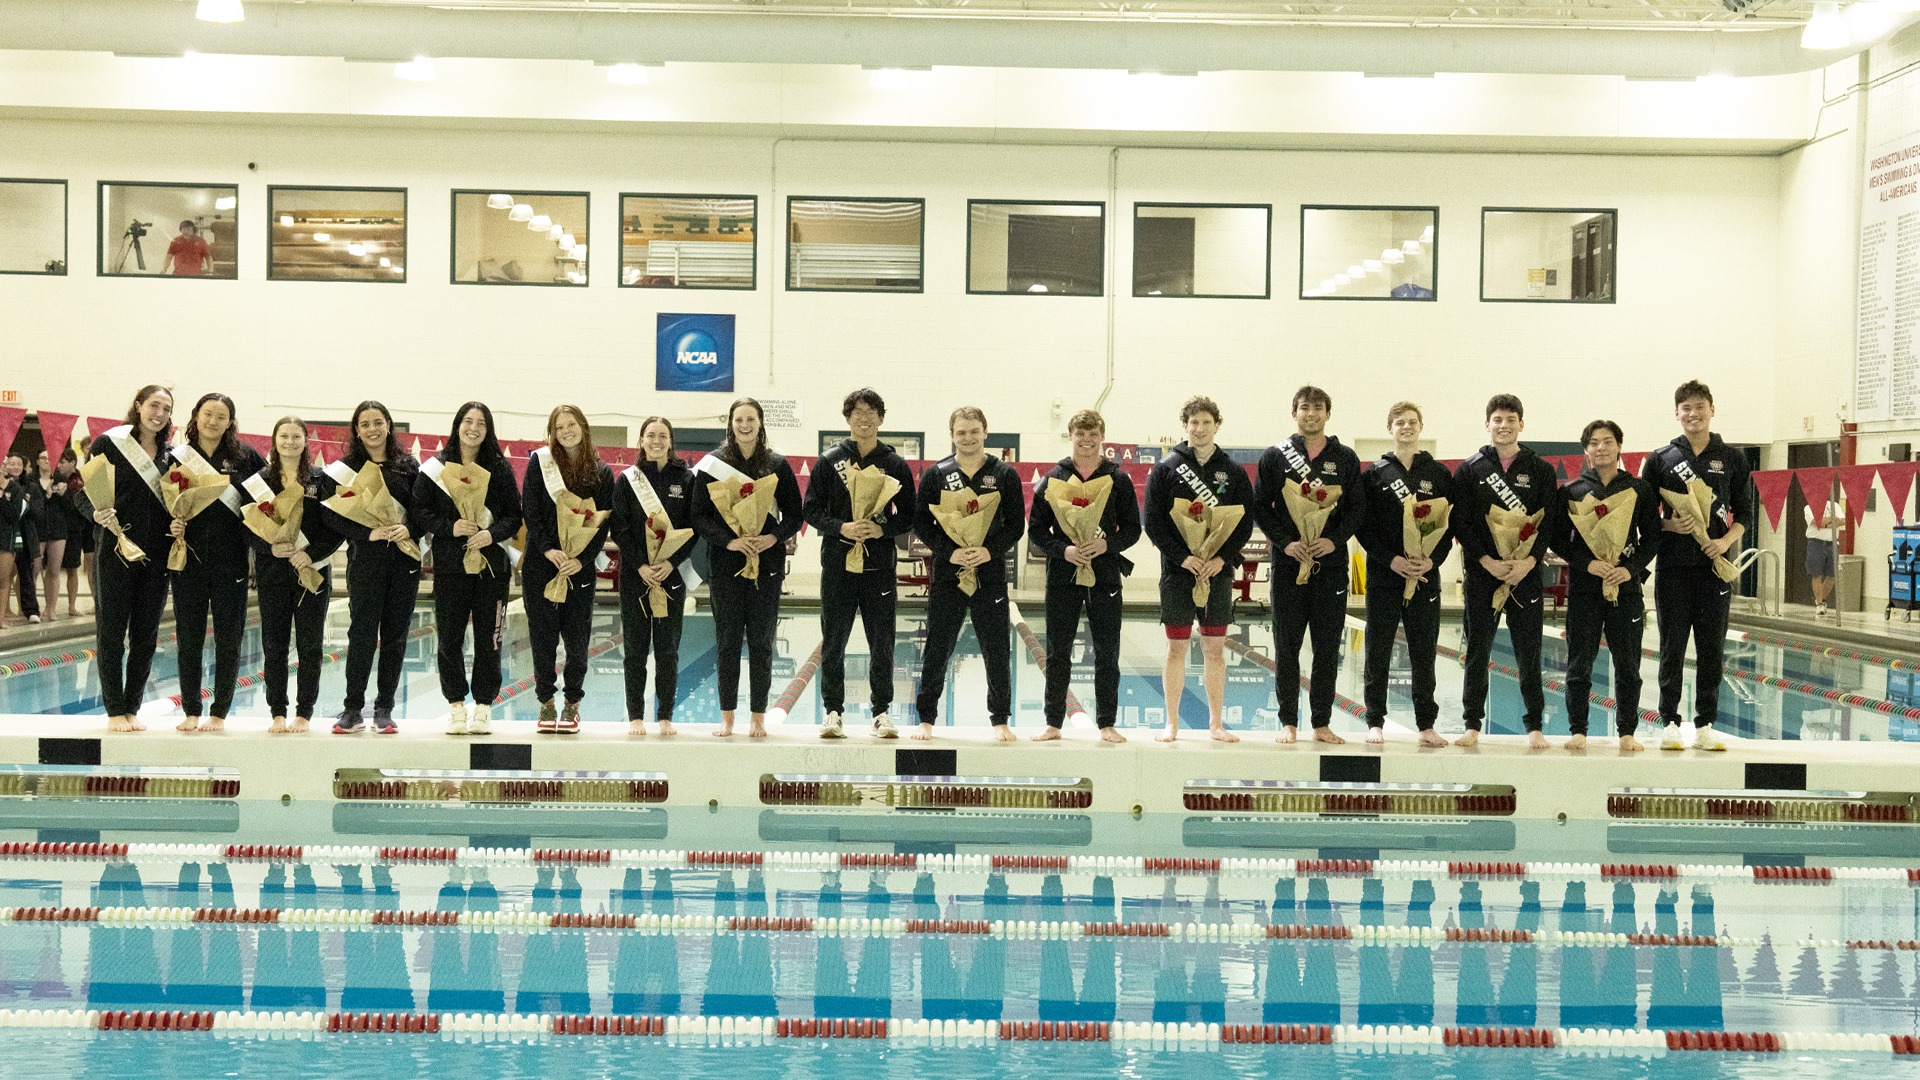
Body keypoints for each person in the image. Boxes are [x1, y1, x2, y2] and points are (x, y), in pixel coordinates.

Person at [1642, 379, 1750, 752]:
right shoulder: (1661, 459)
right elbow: (1643, 517)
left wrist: (1725, 541)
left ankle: (1705, 724)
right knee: (1672, 647)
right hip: (1673, 567)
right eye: (1685, 408)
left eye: (1699, 407)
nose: (1693, 414)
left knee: (1711, 649)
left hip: (1713, 567)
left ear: (1712, 410)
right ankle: (1670, 722)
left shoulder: (1732, 458)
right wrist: (1669, 525)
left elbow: (1745, 514)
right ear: (1677, 413)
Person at [1253, 385, 1365, 745]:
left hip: (1329, 565)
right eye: (1304, 407)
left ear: (1328, 414)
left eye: (1318, 408)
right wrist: (1285, 543)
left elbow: (1356, 509)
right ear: (1294, 413)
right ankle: (1288, 720)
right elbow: (1261, 507)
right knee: (1286, 646)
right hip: (1289, 564)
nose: (1311, 413)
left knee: (1327, 648)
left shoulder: (1345, 458)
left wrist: (1333, 540)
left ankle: (1321, 722)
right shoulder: (1275, 456)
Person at [803, 387, 917, 739]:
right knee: (833, 641)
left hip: (878, 566)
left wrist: (881, 529)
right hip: (838, 564)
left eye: (870, 412)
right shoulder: (829, 461)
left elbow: (908, 515)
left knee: (882, 643)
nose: (864, 418)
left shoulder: (894, 464)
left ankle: (881, 712)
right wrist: (842, 527)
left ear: (881, 418)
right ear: (847, 418)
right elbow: (811, 510)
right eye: (857, 412)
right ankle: (833, 711)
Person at [1144, 395, 1254, 743]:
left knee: (1214, 650)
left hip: (1217, 572)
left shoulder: (1233, 472)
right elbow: (1154, 523)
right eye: (1194, 422)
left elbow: (1243, 524)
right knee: (1176, 649)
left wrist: (1222, 559)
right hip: (1178, 572)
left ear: (1217, 425)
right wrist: (1183, 558)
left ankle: (1216, 723)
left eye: (1207, 422)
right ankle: (1171, 722)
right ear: (1185, 426)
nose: (1200, 428)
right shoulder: (1166, 469)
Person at [911, 406, 1025, 741]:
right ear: (952, 435)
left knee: (997, 648)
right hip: (949, 573)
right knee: (937, 646)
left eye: (974, 431)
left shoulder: (1004, 474)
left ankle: (1000, 719)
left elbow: (1015, 525)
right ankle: (926, 718)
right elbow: (922, 524)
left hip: (990, 573)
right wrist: (950, 551)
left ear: (985, 432)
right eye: (961, 432)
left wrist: (989, 550)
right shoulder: (937, 474)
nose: (968, 438)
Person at [690, 397, 802, 738]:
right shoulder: (713, 464)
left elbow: (795, 514)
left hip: (766, 563)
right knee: (727, 642)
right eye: (739, 419)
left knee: (762, 643)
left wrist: (772, 537)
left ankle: (757, 716)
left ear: (760, 422)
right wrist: (729, 541)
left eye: (750, 419)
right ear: (731, 423)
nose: (744, 425)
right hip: (726, 563)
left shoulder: (777, 464)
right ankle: (727, 716)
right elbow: (699, 515)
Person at [1451, 393, 1559, 748]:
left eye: (1511, 419)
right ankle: (1472, 724)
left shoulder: (1540, 470)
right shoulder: (1470, 469)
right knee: (1477, 651)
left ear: (1521, 424)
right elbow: (1461, 522)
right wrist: (1486, 560)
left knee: (1529, 653)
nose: (1504, 425)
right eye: (1497, 419)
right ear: (1487, 424)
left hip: (1524, 574)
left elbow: (1549, 522)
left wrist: (1529, 561)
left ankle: (1534, 726)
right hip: (1484, 574)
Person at [1029, 408, 1141, 743]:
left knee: (1107, 651)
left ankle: (1107, 723)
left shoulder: (1118, 480)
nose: (1087, 440)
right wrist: (1064, 550)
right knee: (1057, 651)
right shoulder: (1054, 479)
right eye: (1081, 434)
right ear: (1071, 436)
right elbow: (1036, 530)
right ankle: (1053, 723)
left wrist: (1106, 546)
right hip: (1063, 574)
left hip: (1105, 574)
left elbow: (1132, 529)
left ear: (1102, 437)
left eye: (1093, 434)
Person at [1551, 419, 1661, 752]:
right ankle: (1578, 730)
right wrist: (1587, 564)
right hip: (1585, 589)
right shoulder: (1572, 491)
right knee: (1579, 664)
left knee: (1628, 665)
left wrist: (1630, 569)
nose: (1601, 448)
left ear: (1619, 446)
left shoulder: (1639, 489)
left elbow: (1652, 537)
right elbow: (1557, 538)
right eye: (1594, 443)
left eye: (1608, 441)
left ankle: (1627, 731)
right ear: (1586, 450)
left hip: (1625, 590)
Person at [414, 402, 521, 737]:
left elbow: (514, 516)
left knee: (490, 639)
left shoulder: (499, 469)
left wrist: (491, 534)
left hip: (491, 567)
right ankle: (457, 705)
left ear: (488, 430)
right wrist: (449, 527)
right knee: (449, 638)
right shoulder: (436, 468)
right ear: (457, 424)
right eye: (468, 421)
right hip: (450, 566)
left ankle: (484, 706)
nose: (473, 428)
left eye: (481, 423)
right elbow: (419, 510)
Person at [1356, 401, 1454, 747]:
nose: (1407, 427)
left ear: (1421, 427)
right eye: (1400, 422)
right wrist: (1391, 560)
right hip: (1385, 575)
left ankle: (1426, 724)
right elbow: (1363, 528)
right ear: (1390, 428)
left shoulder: (1439, 474)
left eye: (1412, 422)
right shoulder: (1374, 474)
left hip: (1425, 576)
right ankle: (1375, 721)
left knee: (1424, 652)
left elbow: (1449, 527)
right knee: (1378, 649)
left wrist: (1433, 561)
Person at [167, 392, 265, 733]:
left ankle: (220, 711)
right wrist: (172, 524)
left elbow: (267, 498)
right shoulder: (177, 457)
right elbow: (164, 502)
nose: (213, 421)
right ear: (196, 415)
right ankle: (191, 710)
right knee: (189, 638)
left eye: (221, 416)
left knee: (229, 639)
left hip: (231, 562)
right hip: (189, 561)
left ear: (230, 422)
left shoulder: (246, 457)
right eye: (208, 414)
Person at [323, 399, 421, 735]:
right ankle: (353, 709)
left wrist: (410, 529)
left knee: (395, 636)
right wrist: (367, 533)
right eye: (365, 424)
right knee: (362, 635)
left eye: (378, 422)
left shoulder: (407, 466)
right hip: (365, 561)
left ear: (388, 425)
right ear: (357, 430)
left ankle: (384, 708)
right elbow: (330, 514)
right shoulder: (346, 469)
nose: (372, 429)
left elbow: (422, 510)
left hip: (403, 561)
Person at [240, 416, 343, 735]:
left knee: (310, 645)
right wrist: (269, 548)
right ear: (274, 440)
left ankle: (305, 712)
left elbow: (336, 527)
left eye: (296, 436)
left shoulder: (321, 480)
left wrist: (310, 554)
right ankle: (277, 711)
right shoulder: (259, 481)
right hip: (273, 572)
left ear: (305, 441)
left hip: (311, 571)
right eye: (283, 436)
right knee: (275, 645)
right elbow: (246, 527)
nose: (289, 442)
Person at [521, 404, 614, 734]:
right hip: (542, 563)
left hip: (579, 568)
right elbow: (530, 511)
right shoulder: (540, 463)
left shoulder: (601, 473)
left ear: (583, 427)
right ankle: (546, 702)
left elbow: (602, 523)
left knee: (577, 640)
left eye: (571, 425)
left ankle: (572, 703)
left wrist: (582, 559)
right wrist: (549, 549)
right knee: (542, 638)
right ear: (553, 433)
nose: (566, 432)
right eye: (559, 427)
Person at [88, 385, 175, 732]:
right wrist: (95, 514)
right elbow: (85, 494)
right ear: (138, 405)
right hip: (115, 551)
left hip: (157, 556)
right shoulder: (110, 443)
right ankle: (114, 710)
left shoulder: (171, 456)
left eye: (166, 409)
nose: (160, 414)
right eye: (154, 405)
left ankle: (132, 707)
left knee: (146, 636)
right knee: (111, 633)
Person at [612, 417, 698, 738]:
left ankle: (665, 715)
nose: (657, 441)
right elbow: (619, 528)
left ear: (671, 441)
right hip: (637, 577)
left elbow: (693, 528)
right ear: (641, 440)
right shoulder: (628, 480)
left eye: (663, 435)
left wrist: (671, 563)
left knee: (667, 650)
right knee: (635, 650)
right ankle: (636, 715)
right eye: (651, 435)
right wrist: (640, 566)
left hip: (670, 577)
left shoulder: (686, 479)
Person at [1, 452, 40, 625]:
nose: (15, 467)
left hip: (20, 534)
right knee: (6, 576)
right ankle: (5, 610)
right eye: (11, 463)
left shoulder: (26, 487)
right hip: (6, 533)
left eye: (19, 464)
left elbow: (29, 512)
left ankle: (28, 610)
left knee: (23, 573)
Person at [57, 449, 94, 617]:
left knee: (89, 565)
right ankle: (68, 606)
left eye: (63, 462)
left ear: (72, 462)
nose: (59, 465)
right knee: (67, 568)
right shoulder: (56, 479)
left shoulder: (82, 478)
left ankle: (94, 603)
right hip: (66, 528)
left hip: (85, 526)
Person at [36, 449, 71, 622]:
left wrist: (63, 495)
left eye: (50, 458)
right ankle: (31, 609)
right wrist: (46, 494)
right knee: (34, 571)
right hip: (38, 530)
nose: (46, 461)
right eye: (43, 458)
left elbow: (70, 507)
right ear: (37, 461)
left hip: (57, 529)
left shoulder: (61, 479)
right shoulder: (31, 480)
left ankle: (51, 609)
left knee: (54, 571)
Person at [1804, 484, 1841, 616]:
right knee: (1816, 574)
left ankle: (1822, 599)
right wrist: (1832, 520)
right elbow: (1815, 522)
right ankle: (1819, 603)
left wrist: (1824, 523)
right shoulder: (1808, 508)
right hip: (1816, 543)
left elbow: (1842, 521)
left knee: (1832, 576)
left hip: (1832, 544)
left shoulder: (1835, 506)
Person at [0, 454, 26, 631]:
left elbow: (15, 515)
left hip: (6, 537)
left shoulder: (14, 489)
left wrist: (2, 498)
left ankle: (0, 618)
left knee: (3, 580)